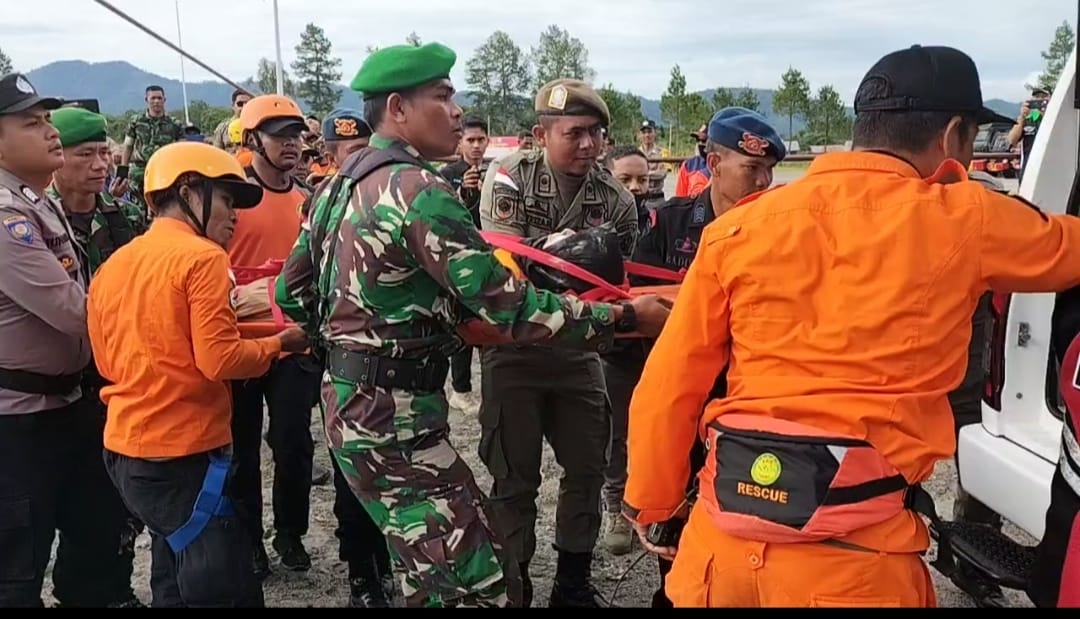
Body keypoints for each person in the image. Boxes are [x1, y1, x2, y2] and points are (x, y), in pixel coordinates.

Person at [622, 44, 1080, 608]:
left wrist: (655, 502)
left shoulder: (740, 228)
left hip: (718, 555)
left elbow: (670, 386)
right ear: (953, 135)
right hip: (855, 567)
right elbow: (1069, 249)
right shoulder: (970, 217)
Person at [274, 41, 671, 609]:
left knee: (428, 573)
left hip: (352, 403)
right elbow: (511, 305)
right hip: (395, 419)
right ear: (398, 108)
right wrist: (626, 317)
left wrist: (352, 339)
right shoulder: (420, 191)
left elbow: (292, 291)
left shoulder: (339, 184)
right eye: (442, 95)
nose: (457, 110)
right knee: (479, 582)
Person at [88, 141, 309, 607]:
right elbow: (220, 360)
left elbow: (108, 358)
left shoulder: (115, 265)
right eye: (228, 200)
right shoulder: (204, 259)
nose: (235, 215)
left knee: (172, 566)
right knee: (221, 584)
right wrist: (278, 344)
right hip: (181, 453)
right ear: (190, 192)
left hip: (127, 450)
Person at [477, 78, 640, 608]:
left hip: (578, 355)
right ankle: (515, 583)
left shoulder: (614, 198)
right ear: (539, 134)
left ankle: (571, 583)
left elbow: (616, 285)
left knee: (588, 470)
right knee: (514, 476)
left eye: (596, 133)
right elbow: (508, 274)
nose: (589, 145)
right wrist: (572, 261)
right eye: (575, 133)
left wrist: (556, 261)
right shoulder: (509, 179)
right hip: (515, 349)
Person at [625, 107, 786, 607]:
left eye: (768, 170)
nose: (761, 181)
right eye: (749, 168)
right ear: (713, 163)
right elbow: (632, 317)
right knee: (673, 531)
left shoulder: (785, 230)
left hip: (750, 405)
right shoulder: (667, 226)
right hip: (685, 401)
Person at [0, 72, 137, 609]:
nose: (50, 132)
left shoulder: (35, 200)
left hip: (68, 403)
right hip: (20, 422)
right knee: (18, 565)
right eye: (32, 124)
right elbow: (78, 313)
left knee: (94, 538)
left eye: (48, 121)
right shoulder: (7, 216)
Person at [46, 106, 150, 607]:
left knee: (111, 499)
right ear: (55, 155)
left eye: (104, 153)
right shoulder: (34, 217)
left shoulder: (124, 216)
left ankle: (112, 587)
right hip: (52, 383)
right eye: (85, 154)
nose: (100, 164)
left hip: (114, 381)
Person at [229, 93, 319, 580]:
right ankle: (248, 540)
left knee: (293, 441)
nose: (292, 144)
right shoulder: (231, 198)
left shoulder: (307, 200)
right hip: (240, 343)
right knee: (241, 447)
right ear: (252, 140)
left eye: (297, 134)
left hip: (293, 343)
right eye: (280, 135)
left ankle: (290, 531)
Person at [439, 116, 490, 408]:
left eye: (480, 140)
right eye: (470, 140)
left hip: (489, 254)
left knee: (488, 320)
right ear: (460, 142)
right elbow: (444, 214)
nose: (475, 146)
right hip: (457, 258)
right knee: (461, 322)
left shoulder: (495, 171)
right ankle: (460, 388)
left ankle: (489, 385)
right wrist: (463, 193)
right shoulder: (447, 173)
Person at [120, 85, 184, 210]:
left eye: (159, 98)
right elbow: (128, 146)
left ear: (164, 100)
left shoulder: (175, 124)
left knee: (163, 206)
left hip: (164, 171)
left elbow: (181, 150)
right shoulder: (136, 121)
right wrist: (123, 171)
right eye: (153, 98)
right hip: (139, 171)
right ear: (146, 100)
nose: (156, 101)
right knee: (136, 208)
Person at [1006, 86, 1051, 180]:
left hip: (1049, 169)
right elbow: (1012, 140)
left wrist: (1045, 114)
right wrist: (1022, 117)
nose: (1039, 100)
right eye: (1036, 97)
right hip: (1028, 170)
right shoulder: (1028, 118)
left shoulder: (1054, 118)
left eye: (1043, 97)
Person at [673, 125, 710, 198]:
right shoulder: (688, 165)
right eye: (697, 140)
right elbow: (680, 197)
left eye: (703, 140)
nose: (700, 144)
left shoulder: (724, 166)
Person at [637, 119, 667, 210]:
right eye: (644, 132)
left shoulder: (663, 152)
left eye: (649, 132)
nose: (647, 135)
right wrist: (653, 172)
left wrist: (644, 174)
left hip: (657, 199)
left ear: (655, 133)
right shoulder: (635, 153)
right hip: (640, 199)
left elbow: (662, 174)